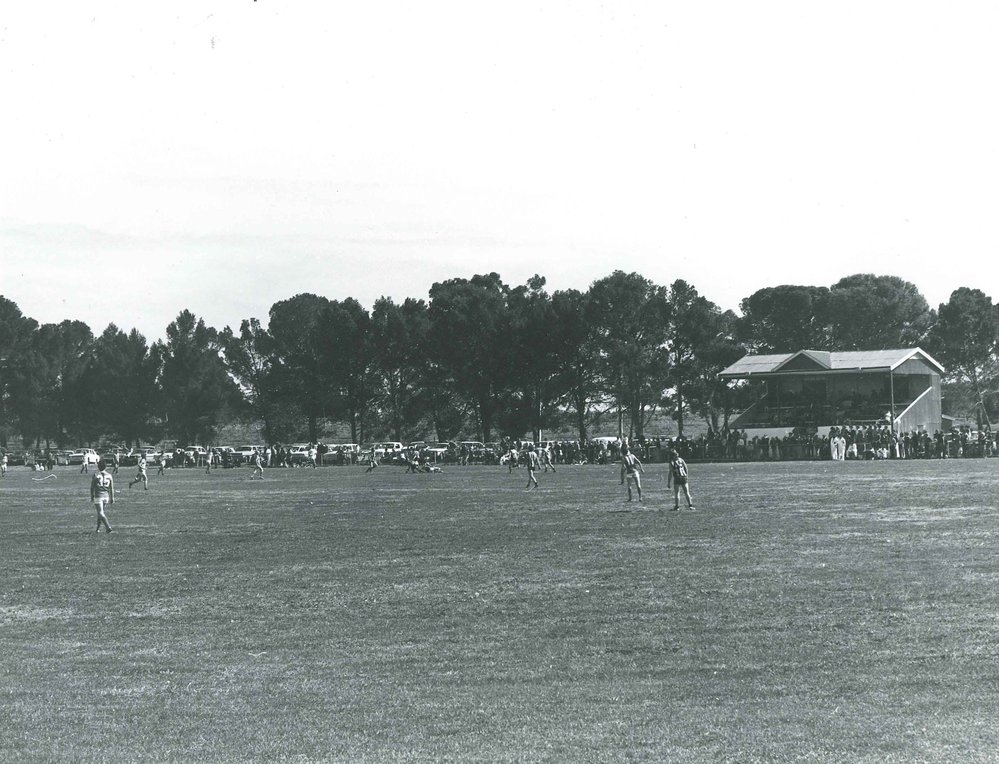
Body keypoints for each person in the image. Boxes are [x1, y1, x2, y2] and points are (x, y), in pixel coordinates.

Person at [91, 458, 115, 533]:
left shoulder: (96, 475)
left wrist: (92, 495)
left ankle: (108, 527)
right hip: (106, 496)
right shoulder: (109, 475)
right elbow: (111, 488)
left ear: (98, 466)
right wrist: (112, 497)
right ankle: (97, 529)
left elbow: (92, 487)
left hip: (99, 495)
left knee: (100, 513)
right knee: (100, 513)